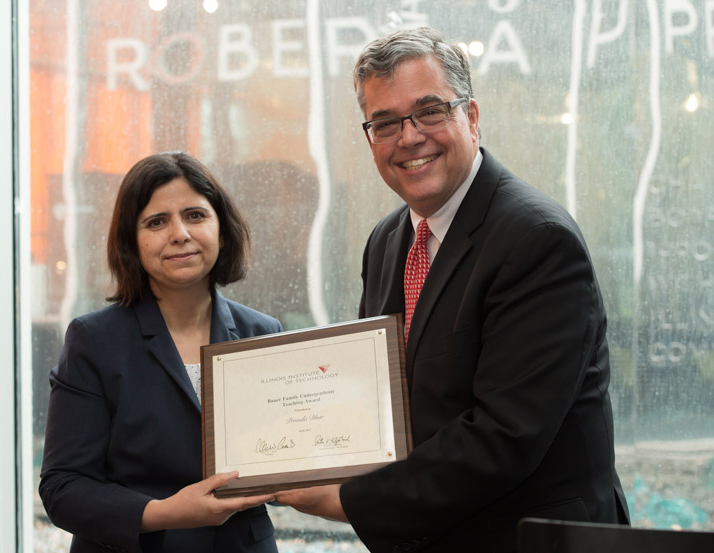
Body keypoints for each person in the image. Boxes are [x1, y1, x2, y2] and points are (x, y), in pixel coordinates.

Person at [275, 27, 629, 552]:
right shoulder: (387, 240)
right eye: (386, 123)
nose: (409, 137)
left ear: (472, 116)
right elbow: (380, 393)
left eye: (430, 111)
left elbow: (505, 435)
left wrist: (349, 499)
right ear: (370, 138)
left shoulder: (536, 239)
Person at [39, 152, 282, 553]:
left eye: (195, 215)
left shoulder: (263, 333)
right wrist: (166, 512)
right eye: (156, 222)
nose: (180, 234)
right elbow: (63, 488)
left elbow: (282, 458)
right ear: (131, 242)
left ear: (221, 229)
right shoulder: (93, 340)